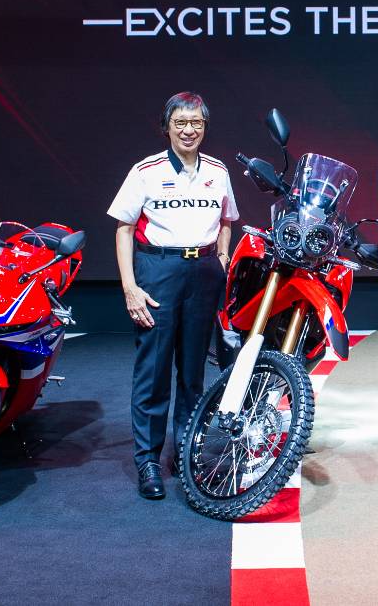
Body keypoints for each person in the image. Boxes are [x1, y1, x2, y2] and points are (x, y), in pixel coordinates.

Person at [108, 92, 238, 501]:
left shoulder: (217, 170)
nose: (188, 130)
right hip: (158, 272)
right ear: (166, 127)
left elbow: (227, 220)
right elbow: (124, 229)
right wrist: (130, 287)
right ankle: (148, 461)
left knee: (193, 372)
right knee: (154, 370)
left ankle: (186, 451)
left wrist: (221, 258)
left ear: (205, 127)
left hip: (203, 274)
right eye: (180, 122)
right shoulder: (145, 171)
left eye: (196, 123)